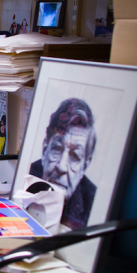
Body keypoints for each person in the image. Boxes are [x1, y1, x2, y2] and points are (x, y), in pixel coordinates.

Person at [29, 98, 97, 229]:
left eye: (75, 156)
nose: (61, 167)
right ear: (44, 147)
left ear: (85, 165)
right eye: (57, 149)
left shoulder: (94, 203)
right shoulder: (27, 174)